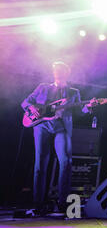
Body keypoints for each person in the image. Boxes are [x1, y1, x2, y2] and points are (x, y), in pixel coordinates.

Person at [21, 61, 95, 215]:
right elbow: (25, 102)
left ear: (66, 72)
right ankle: (38, 204)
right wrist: (32, 108)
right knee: (40, 164)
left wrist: (87, 107)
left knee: (66, 162)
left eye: (60, 69)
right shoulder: (43, 87)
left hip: (62, 127)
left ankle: (63, 203)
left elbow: (79, 112)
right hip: (42, 126)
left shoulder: (73, 92)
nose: (57, 72)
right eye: (55, 69)